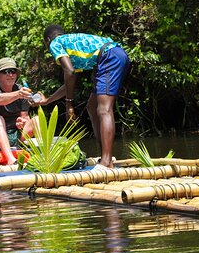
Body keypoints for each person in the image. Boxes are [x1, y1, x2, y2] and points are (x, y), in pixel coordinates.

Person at [40, 24, 131, 169]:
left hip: (109, 56)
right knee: (92, 106)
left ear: (48, 39)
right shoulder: (69, 43)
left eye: (45, 44)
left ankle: (106, 161)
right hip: (113, 55)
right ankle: (105, 158)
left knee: (104, 109)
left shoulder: (55, 43)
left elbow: (69, 72)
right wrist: (47, 100)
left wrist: (69, 105)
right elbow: (69, 82)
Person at [0, 57, 40, 165]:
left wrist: (22, 122)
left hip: (15, 135)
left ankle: (44, 155)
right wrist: (18, 95)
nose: (11, 75)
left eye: (13, 71)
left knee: (36, 119)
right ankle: (11, 160)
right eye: (6, 72)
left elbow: (25, 117)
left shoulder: (21, 90)